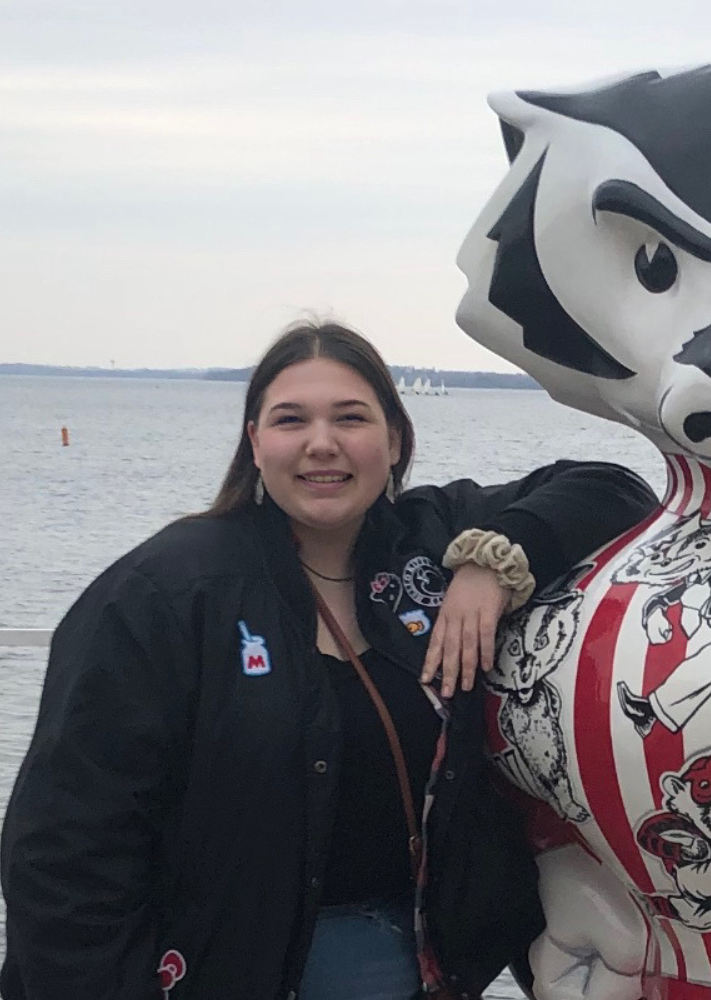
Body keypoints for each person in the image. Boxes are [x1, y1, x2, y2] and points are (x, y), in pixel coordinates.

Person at [0, 321, 657, 1000]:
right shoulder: (166, 594)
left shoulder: (429, 541)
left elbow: (614, 490)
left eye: (351, 418)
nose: (322, 443)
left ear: (394, 439)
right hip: (223, 959)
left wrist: (494, 564)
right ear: (255, 441)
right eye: (291, 420)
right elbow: (63, 848)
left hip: (421, 955)